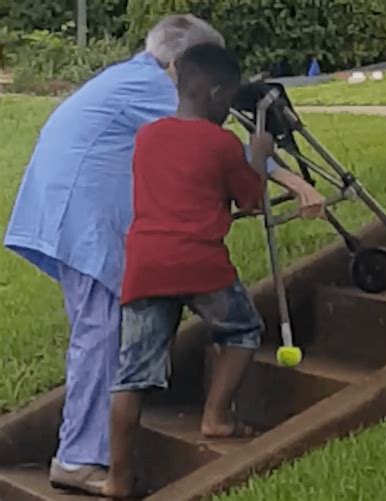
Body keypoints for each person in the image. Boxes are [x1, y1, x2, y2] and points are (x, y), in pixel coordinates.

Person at [3, 14, 323, 494]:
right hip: (83, 216)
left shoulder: (128, 77)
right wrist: (296, 180)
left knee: (113, 341)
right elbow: (225, 150)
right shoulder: (157, 88)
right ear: (179, 66)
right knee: (103, 332)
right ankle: (78, 458)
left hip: (70, 211)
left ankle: (100, 458)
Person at [99, 42, 294, 499]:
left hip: (145, 267)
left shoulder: (147, 138)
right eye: (228, 101)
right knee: (243, 331)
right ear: (215, 93)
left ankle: (117, 478)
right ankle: (217, 417)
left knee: (132, 377)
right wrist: (258, 153)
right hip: (200, 263)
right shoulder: (222, 143)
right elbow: (248, 199)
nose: (229, 110)